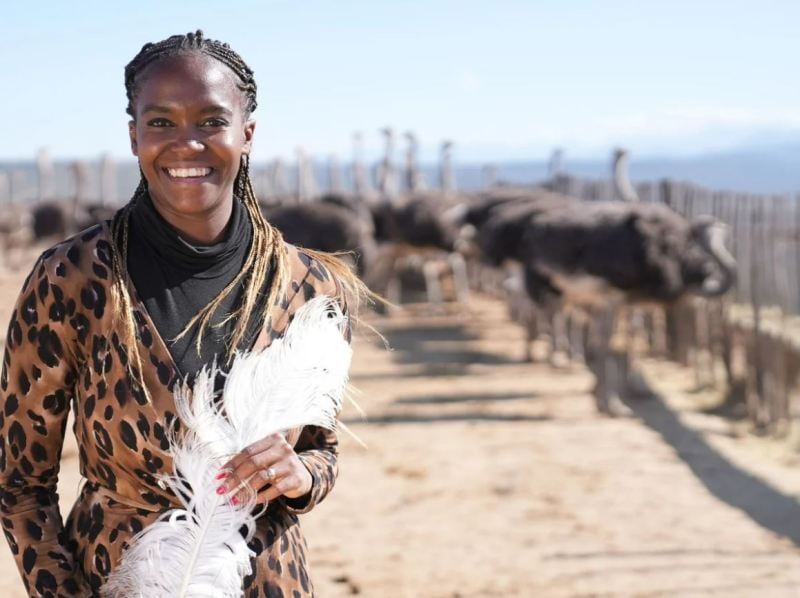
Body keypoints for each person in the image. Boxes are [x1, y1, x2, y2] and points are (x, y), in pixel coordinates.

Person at [0, 30, 364, 597]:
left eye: (211, 122)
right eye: (161, 122)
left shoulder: (308, 288)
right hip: (116, 581)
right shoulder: (71, 278)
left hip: (266, 581)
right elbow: (20, 486)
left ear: (247, 134)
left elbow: (322, 448)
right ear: (133, 136)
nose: (186, 144)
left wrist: (302, 476)